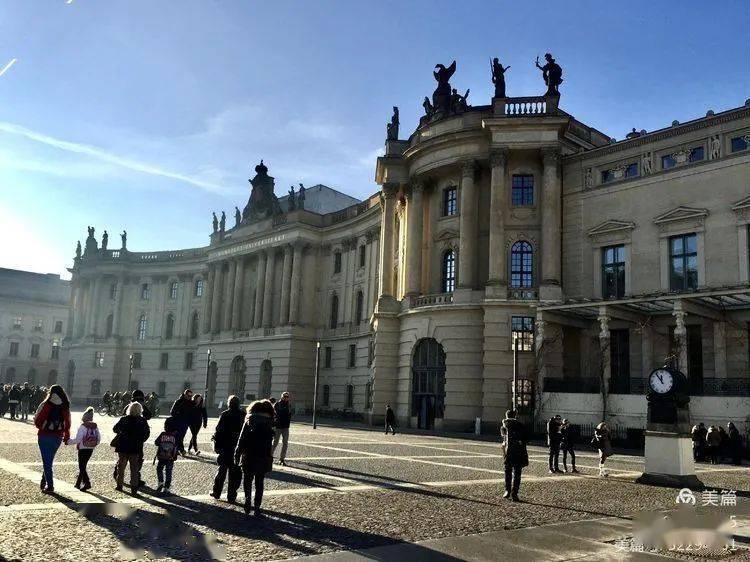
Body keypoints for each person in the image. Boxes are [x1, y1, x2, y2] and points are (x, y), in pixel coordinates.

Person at [235, 399, 275, 516]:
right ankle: (257, 506)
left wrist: (237, 453)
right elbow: (271, 440)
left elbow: (241, 438)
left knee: (247, 479)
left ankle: (248, 499)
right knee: (259, 482)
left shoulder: (249, 419)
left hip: (249, 453)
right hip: (263, 454)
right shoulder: (270, 421)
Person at [33, 385, 71, 493]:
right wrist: (66, 435)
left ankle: (50, 486)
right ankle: (44, 479)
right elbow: (68, 422)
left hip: (44, 435)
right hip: (58, 436)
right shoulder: (65, 405)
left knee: (47, 462)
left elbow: (37, 421)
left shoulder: (46, 404)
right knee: (49, 460)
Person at [211, 395, 245, 503]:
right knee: (235, 473)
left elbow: (219, 430)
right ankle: (231, 496)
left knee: (221, 471)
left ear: (229, 403)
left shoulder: (225, 414)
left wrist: (216, 444)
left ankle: (217, 492)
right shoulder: (243, 415)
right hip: (237, 447)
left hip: (225, 447)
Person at [112, 402, 150, 494]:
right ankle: (134, 489)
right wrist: (141, 440)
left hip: (123, 446)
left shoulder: (124, 419)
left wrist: (122, 432)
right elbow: (147, 434)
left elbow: (115, 429)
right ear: (140, 410)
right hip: (136, 447)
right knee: (134, 469)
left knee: (121, 467)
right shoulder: (142, 420)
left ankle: (119, 485)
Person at [66, 406, 101, 491]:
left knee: (82, 466)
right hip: (91, 449)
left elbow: (78, 439)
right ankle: (78, 484)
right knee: (83, 466)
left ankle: (87, 483)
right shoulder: (95, 426)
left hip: (82, 448)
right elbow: (99, 439)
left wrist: (68, 441)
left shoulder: (83, 426)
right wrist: (93, 444)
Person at [500, 409, 528, 502]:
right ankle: (514, 493)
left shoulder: (504, 425)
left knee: (508, 472)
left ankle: (507, 490)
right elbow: (526, 439)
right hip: (519, 452)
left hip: (508, 451)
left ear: (507, 416)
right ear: (515, 416)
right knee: (517, 473)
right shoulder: (520, 425)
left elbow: (503, 439)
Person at [154, 417, 179, 494]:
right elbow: (178, 445)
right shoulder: (176, 435)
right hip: (171, 457)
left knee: (159, 469)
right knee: (168, 471)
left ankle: (160, 482)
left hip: (161, 456)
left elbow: (156, 442)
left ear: (165, 426)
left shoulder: (162, 434)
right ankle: (167, 487)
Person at [170, 389, 194, 455]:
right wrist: (178, 416)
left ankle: (177, 449)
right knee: (179, 436)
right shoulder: (179, 401)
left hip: (185, 423)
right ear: (185, 394)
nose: (190, 397)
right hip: (177, 422)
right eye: (188, 395)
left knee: (181, 436)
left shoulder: (191, 403)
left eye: (191, 396)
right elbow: (172, 412)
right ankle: (181, 449)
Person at [272, 392, 291, 466]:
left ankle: (282, 459)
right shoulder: (277, 404)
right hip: (278, 426)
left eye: (287, 396)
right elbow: (274, 415)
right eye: (285, 396)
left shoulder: (289, 405)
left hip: (286, 426)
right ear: (282, 397)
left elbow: (289, 414)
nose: (286, 398)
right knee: (275, 442)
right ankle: (269, 456)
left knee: (285, 443)